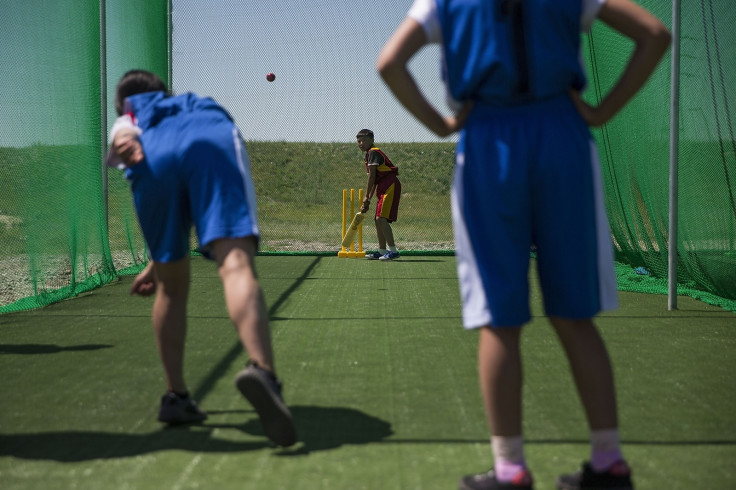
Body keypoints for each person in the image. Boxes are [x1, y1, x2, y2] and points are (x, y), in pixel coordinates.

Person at [377, 1, 670, 489]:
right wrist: (601, 110)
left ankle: (510, 469)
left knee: (498, 317)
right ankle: (608, 461)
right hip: (564, 138)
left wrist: (441, 125)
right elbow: (655, 34)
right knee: (576, 316)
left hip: (488, 145)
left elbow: (389, 62)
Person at [108, 69, 297, 447]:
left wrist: (156, 263)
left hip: (149, 156)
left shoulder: (129, 117)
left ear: (124, 103)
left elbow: (124, 141)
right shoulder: (193, 105)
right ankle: (262, 371)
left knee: (171, 288)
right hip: (211, 142)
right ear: (164, 91)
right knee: (235, 264)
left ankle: (176, 396)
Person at [356, 129, 402, 260]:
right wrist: (368, 200)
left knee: (381, 218)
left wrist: (366, 196)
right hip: (382, 185)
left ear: (372, 140)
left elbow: (372, 178)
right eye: (358, 141)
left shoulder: (373, 152)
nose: (361, 143)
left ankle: (393, 251)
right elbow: (375, 180)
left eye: (364, 140)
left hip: (390, 184)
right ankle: (382, 251)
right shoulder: (368, 155)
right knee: (377, 220)